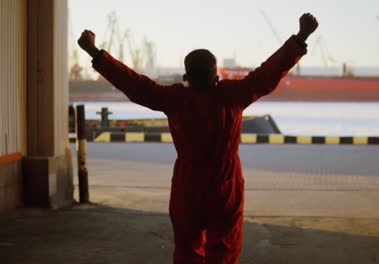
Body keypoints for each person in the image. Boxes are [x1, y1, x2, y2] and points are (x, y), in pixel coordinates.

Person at [78, 12, 318, 264]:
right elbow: (268, 74)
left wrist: (95, 54)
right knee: (224, 253)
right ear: (216, 76)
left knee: (187, 252)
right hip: (225, 189)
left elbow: (135, 85)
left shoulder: (175, 99)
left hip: (187, 189)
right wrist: (301, 36)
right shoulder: (233, 95)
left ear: (186, 78)